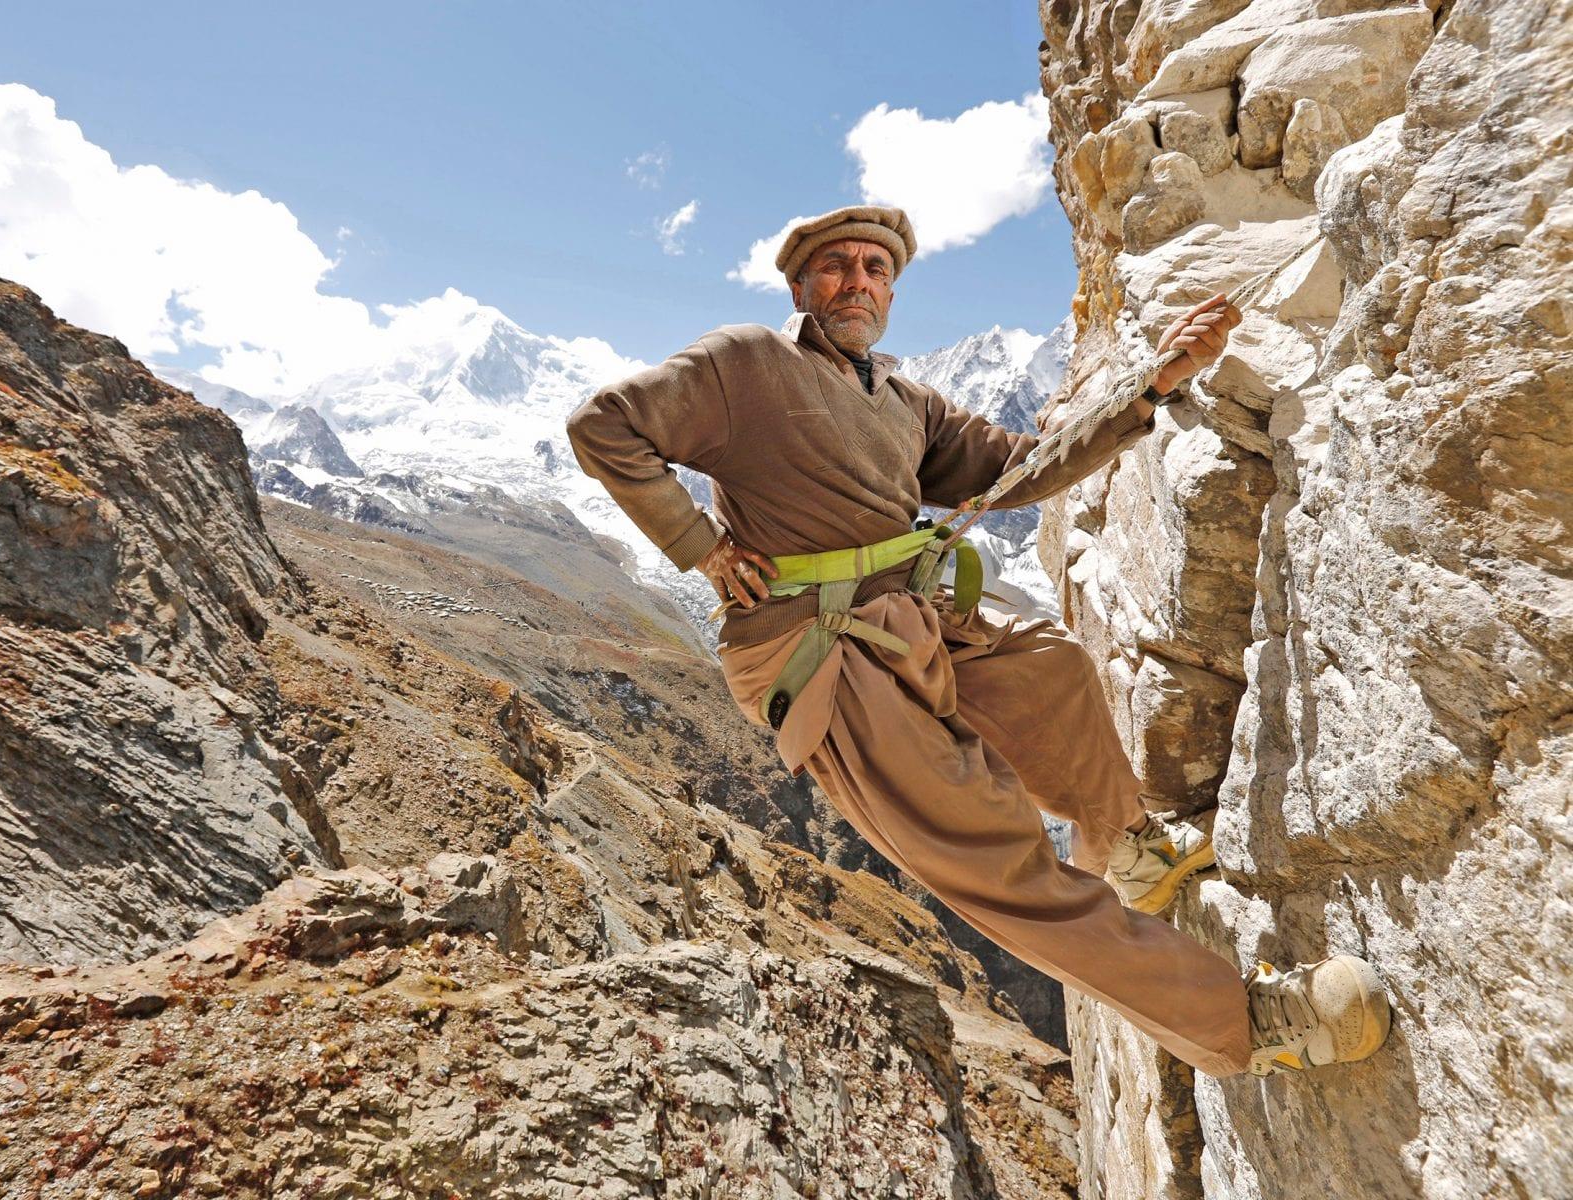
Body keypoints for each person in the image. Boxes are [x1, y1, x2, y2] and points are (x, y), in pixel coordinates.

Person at [565, 204, 1390, 1078]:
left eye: (876, 270)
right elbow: (604, 425)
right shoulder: (744, 364)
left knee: (1046, 664)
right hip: (821, 656)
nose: (858, 282)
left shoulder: (900, 399)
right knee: (999, 856)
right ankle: (1246, 1027)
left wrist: (1155, 384)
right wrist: (703, 547)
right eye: (837, 266)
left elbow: (1019, 466)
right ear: (800, 286)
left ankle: (1127, 847)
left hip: (906, 621)